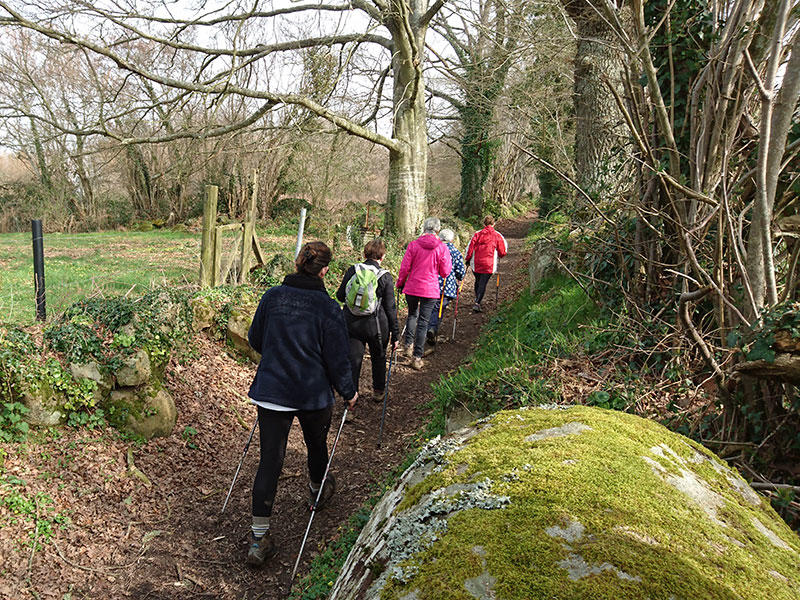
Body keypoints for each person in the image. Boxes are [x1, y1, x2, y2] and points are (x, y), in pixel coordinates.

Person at [245, 241, 357, 567]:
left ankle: (258, 538)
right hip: (312, 394)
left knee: (270, 461)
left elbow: (255, 339)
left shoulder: (272, 297)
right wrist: (348, 391)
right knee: (317, 446)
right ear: (324, 271)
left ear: (297, 265)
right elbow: (338, 359)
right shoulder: (327, 308)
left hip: (272, 392)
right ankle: (317, 490)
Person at [336, 238, 400, 403]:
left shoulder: (353, 270)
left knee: (353, 361)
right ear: (382, 256)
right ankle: (378, 391)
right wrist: (396, 335)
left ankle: (350, 400)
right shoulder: (385, 276)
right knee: (378, 357)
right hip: (377, 326)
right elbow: (391, 308)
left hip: (351, 324)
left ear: (364, 254)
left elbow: (340, 296)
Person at [396, 217, 452, 370]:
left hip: (413, 286)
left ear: (424, 229)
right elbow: (445, 271)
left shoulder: (413, 245)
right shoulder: (441, 247)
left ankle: (408, 346)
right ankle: (417, 357)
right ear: (437, 230)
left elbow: (405, 267)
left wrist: (400, 283)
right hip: (430, 289)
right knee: (423, 322)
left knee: (412, 315)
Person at [426, 228, 466, 346]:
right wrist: (458, 276)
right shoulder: (455, 252)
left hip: (430, 283)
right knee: (439, 308)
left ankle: (428, 328)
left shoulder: (433, 250)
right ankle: (432, 328)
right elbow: (460, 273)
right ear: (452, 240)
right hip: (446, 286)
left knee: (430, 307)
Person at [465, 215, 507, 312]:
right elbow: (502, 251)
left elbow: (470, 248)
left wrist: (467, 259)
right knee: (483, 283)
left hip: (476, 263)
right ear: (494, 224)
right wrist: (501, 255)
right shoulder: (497, 235)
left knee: (478, 281)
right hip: (489, 264)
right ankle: (477, 302)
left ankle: (477, 300)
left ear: (483, 224)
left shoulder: (477, 234)